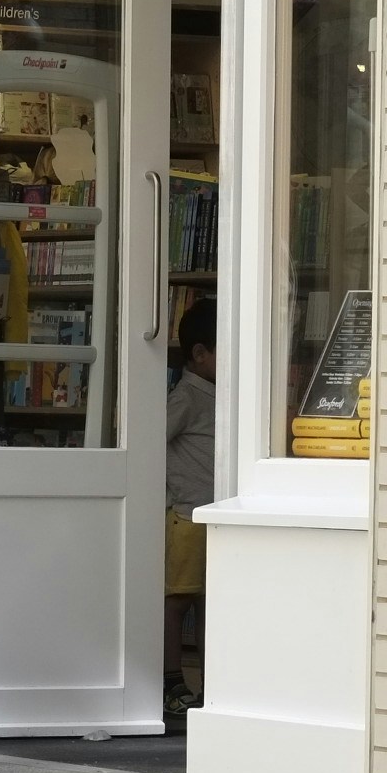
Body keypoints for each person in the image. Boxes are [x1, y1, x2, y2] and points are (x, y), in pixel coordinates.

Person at [164, 298, 216, 708]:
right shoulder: (188, 396)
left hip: (211, 512)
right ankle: (171, 681)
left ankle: (210, 684)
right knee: (179, 599)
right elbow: (154, 439)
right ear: (199, 355)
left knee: (207, 600)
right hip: (188, 513)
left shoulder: (215, 393)